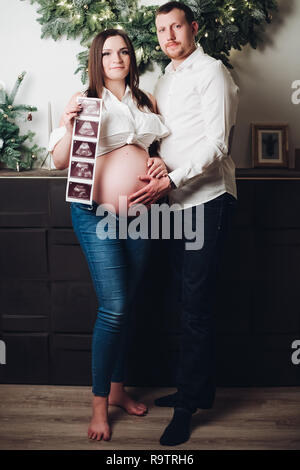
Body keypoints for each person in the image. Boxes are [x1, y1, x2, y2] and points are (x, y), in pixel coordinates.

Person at [48, 28, 170, 442]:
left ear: (131, 58)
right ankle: (99, 403)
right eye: (107, 53)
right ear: (96, 60)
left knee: (129, 303)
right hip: (94, 213)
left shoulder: (146, 100)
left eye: (123, 52)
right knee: (114, 306)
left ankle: (119, 389)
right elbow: (60, 160)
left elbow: (155, 151)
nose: (116, 59)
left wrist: (159, 166)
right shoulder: (85, 101)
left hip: (141, 216)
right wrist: (66, 126)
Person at [128, 1, 239, 446]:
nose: (169, 36)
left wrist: (170, 177)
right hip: (176, 204)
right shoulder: (165, 78)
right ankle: (199, 389)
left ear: (193, 28)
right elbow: (169, 138)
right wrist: (157, 163)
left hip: (207, 201)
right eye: (161, 30)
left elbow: (217, 143)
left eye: (176, 27)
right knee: (186, 301)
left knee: (195, 308)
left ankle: (188, 407)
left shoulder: (212, 72)